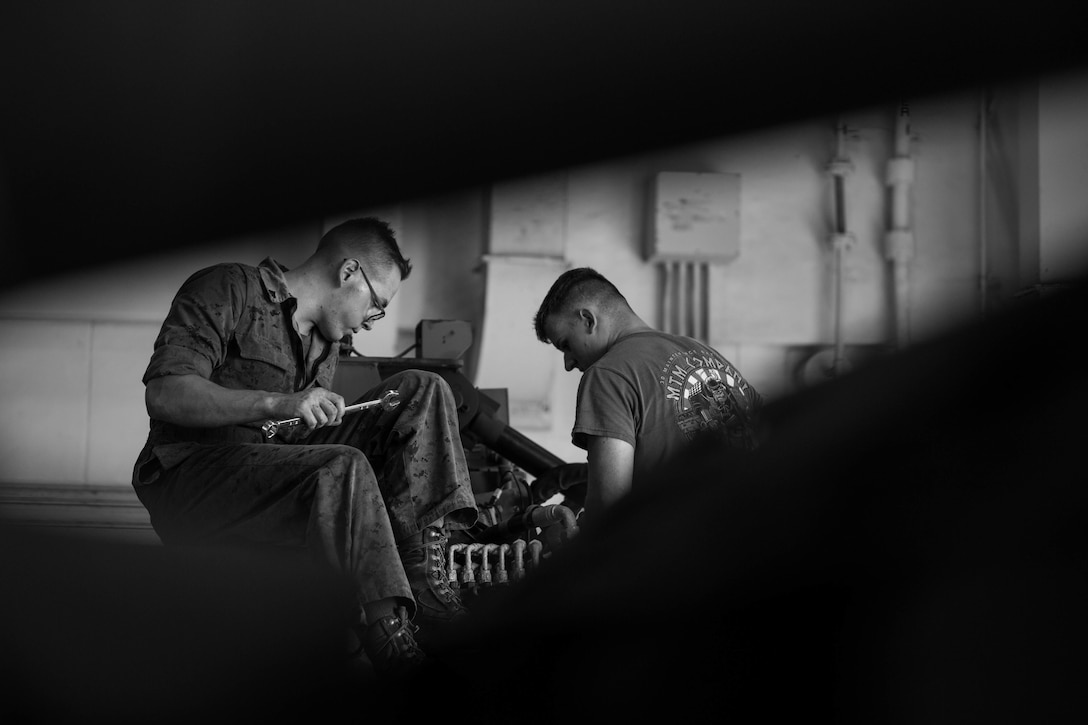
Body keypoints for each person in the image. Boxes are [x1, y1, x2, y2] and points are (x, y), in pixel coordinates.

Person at [131, 217, 478, 677]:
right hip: (189, 476)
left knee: (423, 387)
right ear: (348, 272)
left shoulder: (326, 341)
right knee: (342, 464)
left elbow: (290, 443)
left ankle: (423, 572)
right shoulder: (230, 287)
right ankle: (390, 641)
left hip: (270, 473)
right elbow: (165, 393)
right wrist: (279, 403)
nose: (374, 321)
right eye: (376, 305)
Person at [532, 267, 762, 525]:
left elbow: (608, 510)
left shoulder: (607, 374)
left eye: (565, 344)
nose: (568, 362)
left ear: (588, 320)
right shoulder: (708, 356)